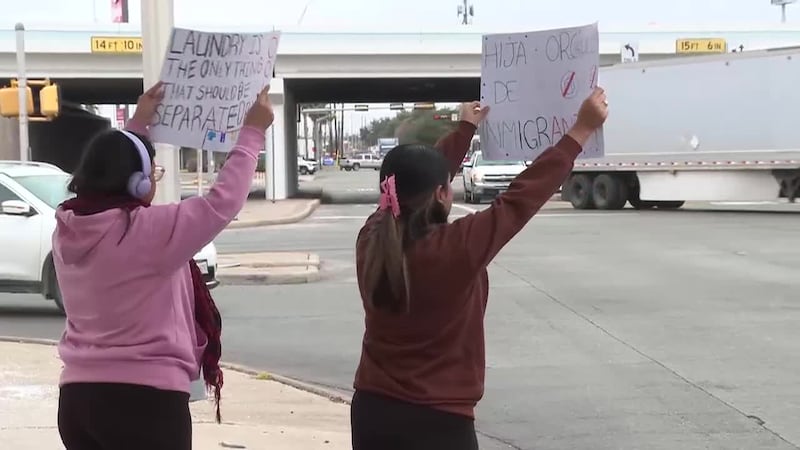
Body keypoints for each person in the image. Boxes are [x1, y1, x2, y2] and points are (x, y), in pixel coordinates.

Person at [351, 88, 609, 449]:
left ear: (387, 191)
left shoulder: (371, 237)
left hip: (371, 412)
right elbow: (520, 199)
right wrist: (580, 130)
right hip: (438, 421)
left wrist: (464, 131)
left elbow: (417, 179)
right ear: (443, 193)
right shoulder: (454, 249)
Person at [54, 82, 274, 450]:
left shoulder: (67, 227)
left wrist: (139, 123)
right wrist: (251, 134)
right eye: (152, 174)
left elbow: (115, 165)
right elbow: (222, 203)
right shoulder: (147, 232)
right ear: (138, 184)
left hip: (77, 401)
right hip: (145, 404)